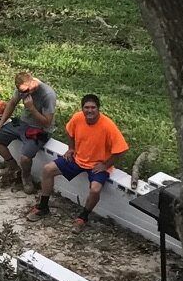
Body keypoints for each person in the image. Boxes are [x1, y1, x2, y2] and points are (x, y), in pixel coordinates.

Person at [30, 93, 128, 225]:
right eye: (86, 107)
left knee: (95, 190)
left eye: (93, 107)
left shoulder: (108, 125)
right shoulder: (77, 117)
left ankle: (83, 217)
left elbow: (121, 149)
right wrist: (71, 148)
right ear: (82, 109)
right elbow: (69, 131)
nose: (90, 110)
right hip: (78, 159)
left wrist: (105, 165)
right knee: (48, 169)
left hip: (97, 165)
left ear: (98, 109)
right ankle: (43, 206)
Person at [0, 69, 57, 189]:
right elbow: (12, 103)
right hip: (23, 123)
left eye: (27, 90)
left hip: (40, 129)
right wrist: (0, 124)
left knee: (25, 158)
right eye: (22, 91)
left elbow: (47, 123)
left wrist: (31, 108)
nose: (26, 93)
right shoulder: (22, 89)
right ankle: (13, 167)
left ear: (32, 81)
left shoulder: (48, 94)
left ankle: (25, 177)